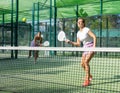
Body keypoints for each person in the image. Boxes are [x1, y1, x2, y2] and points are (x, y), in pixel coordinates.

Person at [66, 18, 96, 86]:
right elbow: (78, 44)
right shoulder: (78, 33)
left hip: (91, 46)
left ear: (83, 23)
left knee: (86, 62)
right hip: (85, 47)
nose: (79, 23)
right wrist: (70, 42)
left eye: (80, 22)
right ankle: (89, 75)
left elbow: (94, 36)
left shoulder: (86, 29)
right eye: (78, 22)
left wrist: (94, 47)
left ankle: (87, 80)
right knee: (82, 64)